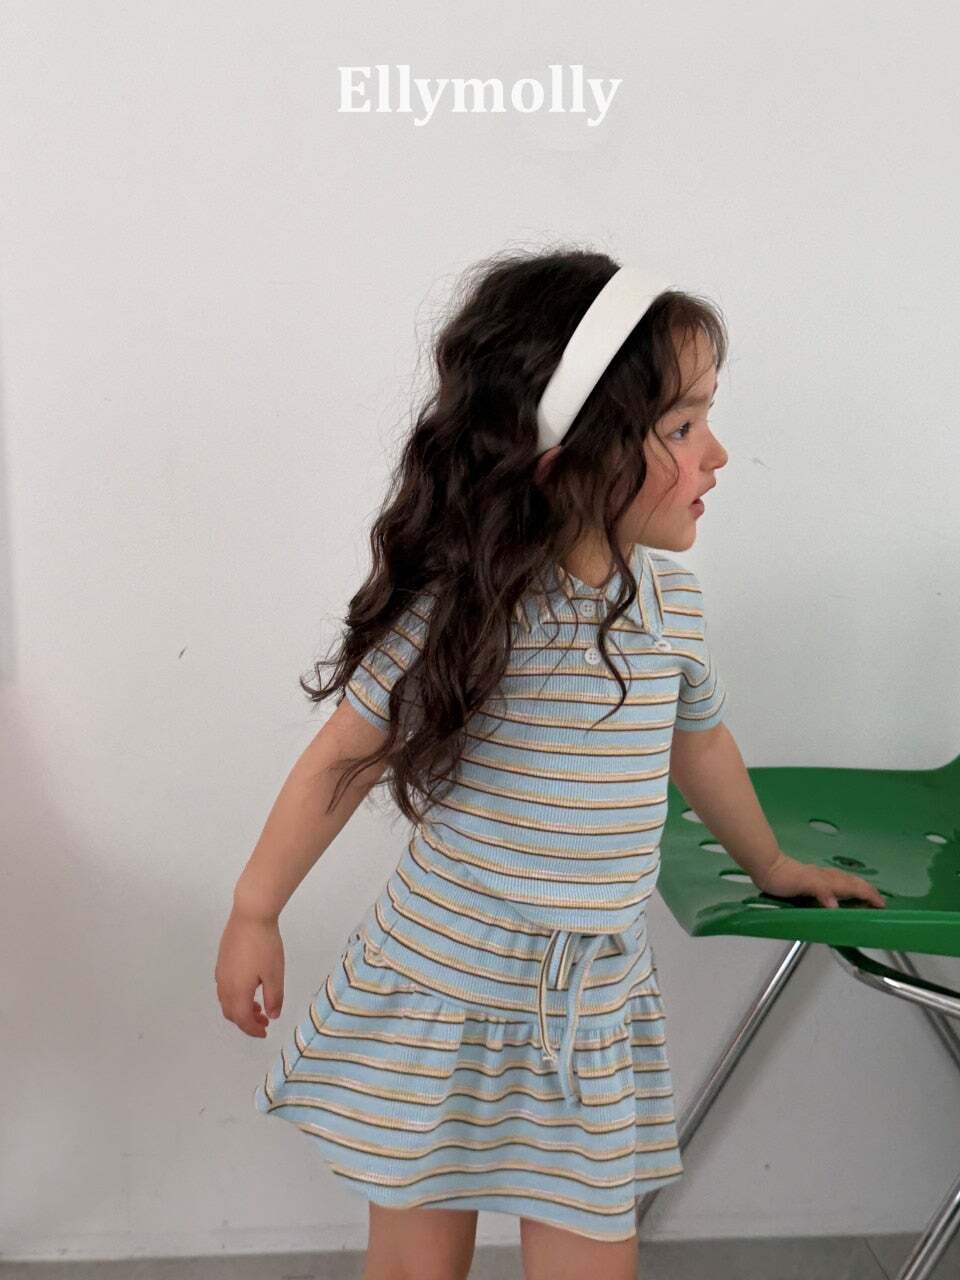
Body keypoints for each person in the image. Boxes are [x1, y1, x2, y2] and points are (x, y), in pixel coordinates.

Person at [215, 247, 886, 1280]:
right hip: (444, 976)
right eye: (682, 427)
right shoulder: (466, 611)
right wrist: (255, 908)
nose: (717, 454)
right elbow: (345, 756)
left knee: (591, 1256)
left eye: (707, 419)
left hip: (590, 1003)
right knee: (415, 1262)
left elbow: (701, 744)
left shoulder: (672, 608)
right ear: (569, 451)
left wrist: (772, 864)